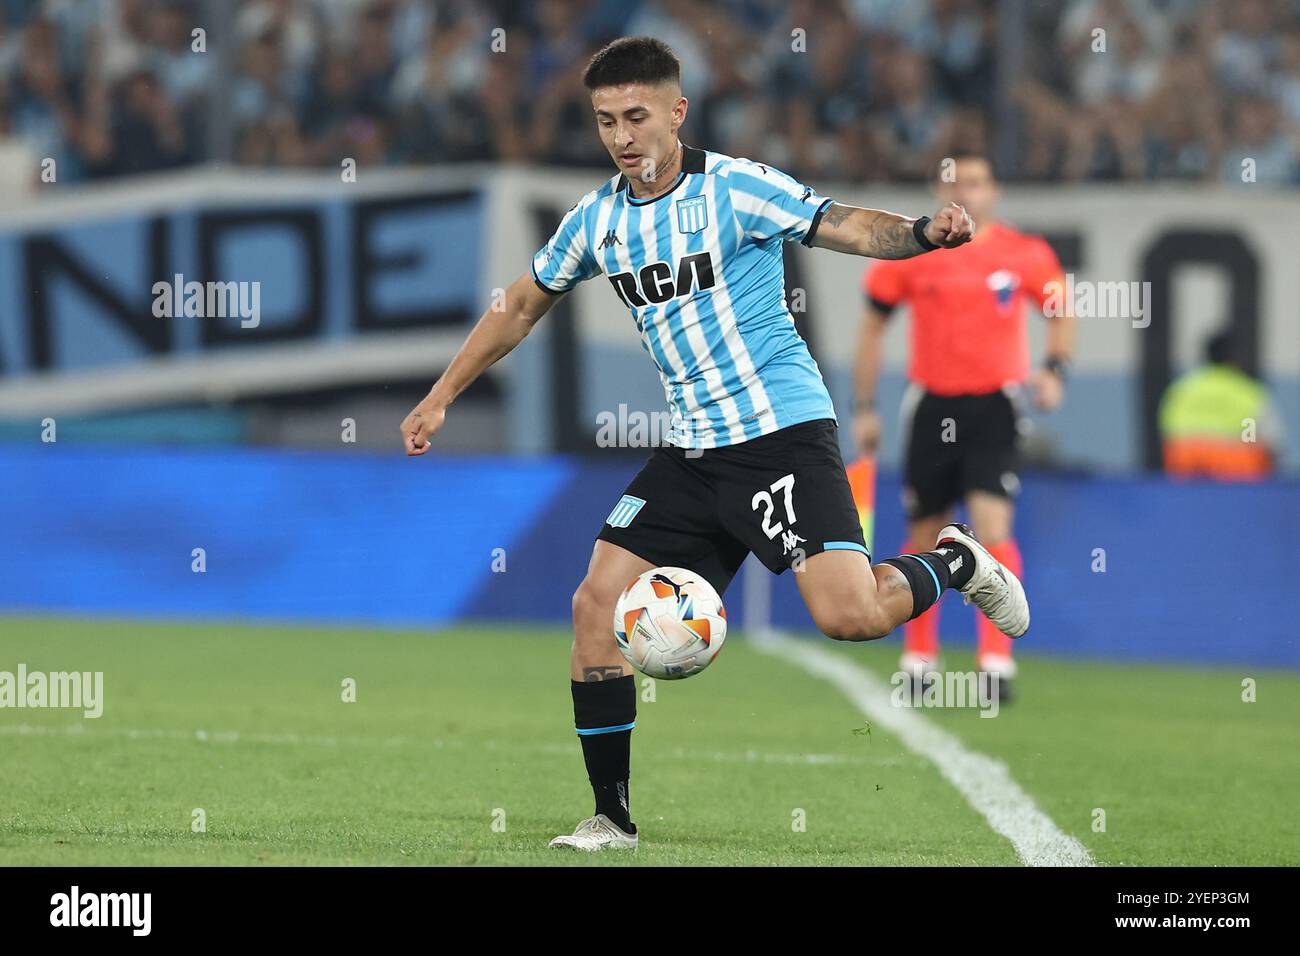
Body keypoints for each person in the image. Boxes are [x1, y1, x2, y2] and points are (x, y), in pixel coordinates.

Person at [399, 38, 1028, 852]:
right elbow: (520, 306)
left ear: (675, 111)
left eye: (635, 116)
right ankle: (611, 817)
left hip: (782, 436)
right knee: (596, 606)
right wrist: (441, 395)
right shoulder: (597, 220)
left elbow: (845, 225)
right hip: (693, 451)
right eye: (604, 121)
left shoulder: (735, 186)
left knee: (851, 614)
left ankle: (956, 561)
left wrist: (921, 231)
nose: (622, 136)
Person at [854, 153, 1073, 700]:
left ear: (993, 189)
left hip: (995, 405)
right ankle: (919, 660)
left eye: (976, 181)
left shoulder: (1024, 253)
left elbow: (1061, 310)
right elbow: (873, 327)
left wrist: (1053, 370)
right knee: (924, 532)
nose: (967, 191)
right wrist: (864, 405)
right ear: (938, 188)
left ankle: (995, 666)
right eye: (955, 182)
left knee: (992, 526)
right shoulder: (913, 251)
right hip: (931, 405)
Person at [1159, 329, 1279, 480]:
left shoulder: (1182, 389)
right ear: (1236, 358)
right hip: (1235, 468)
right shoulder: (1250, 393)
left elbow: (1168, 432)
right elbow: (1269, 442)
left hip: (1186, 464)